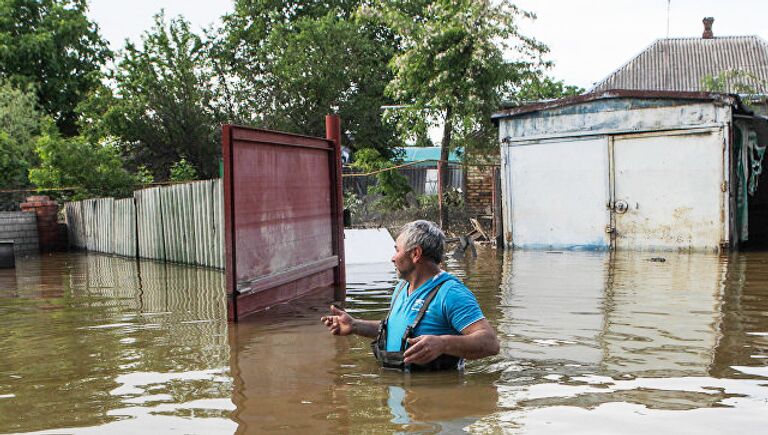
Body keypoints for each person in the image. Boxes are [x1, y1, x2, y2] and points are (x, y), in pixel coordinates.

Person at [321, 220, 499, 371]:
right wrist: (354, 325)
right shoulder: (401, 288)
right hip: (401, 397)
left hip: (432, 403)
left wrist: (443, 343)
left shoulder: (450, 293)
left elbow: (490, 343)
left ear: (415, 254)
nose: (392, 258)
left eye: (397, 250)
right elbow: (396, 329)